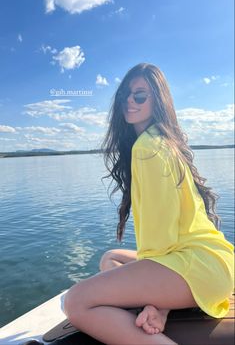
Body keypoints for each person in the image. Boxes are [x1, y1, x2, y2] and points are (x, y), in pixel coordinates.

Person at [63, 63, 234, 345]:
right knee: (111, 259)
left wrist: (158, 301)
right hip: (215, 261)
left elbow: (160, 234)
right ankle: (159, 309)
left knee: (76, 302)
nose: (129, 102)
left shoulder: (147, 147)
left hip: (198, 266)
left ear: (158, 99)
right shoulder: (163, 141)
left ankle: (159, 312)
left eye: (139, 96)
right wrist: (157, 302)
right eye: (125, 96)